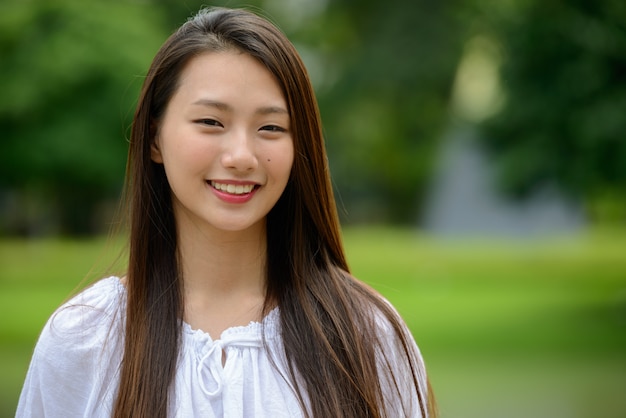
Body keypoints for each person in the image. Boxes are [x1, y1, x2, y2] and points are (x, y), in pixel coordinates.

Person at [16, 7, 436, 418]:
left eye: (270, 127)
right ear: (154, 138)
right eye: (211, 122)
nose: (241, 156)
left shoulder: (366, 334)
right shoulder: (84, 339)